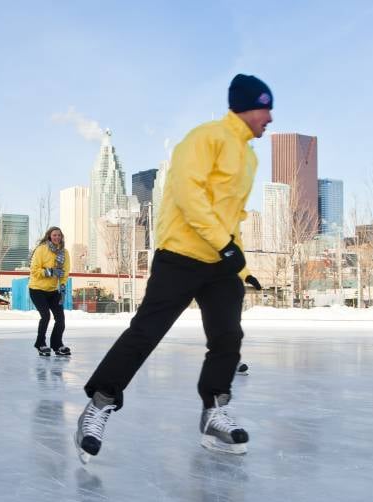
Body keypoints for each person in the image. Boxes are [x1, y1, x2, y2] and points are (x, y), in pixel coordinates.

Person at [75, 73, 272, 461]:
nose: (269, 118)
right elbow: (186, 192)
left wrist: (240, 264)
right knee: (146, 332)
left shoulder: (249, 156)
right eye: (265, 108)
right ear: (246, 107)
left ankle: (214, 411)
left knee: (228, 337)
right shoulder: (206, 138)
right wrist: (223, 244)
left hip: (221, 265)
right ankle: (98, 405)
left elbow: (232, 215)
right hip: (181, 255)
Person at [29, 226, 71, 356]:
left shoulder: (64, 253)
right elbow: (34, 271)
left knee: (60, 318)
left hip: (53, 291)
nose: (57, 237)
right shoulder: (41, 250)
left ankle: (57, 345)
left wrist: (62, 291)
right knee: (46, 316)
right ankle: (41, 344)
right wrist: (50, 271)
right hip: (37, 289)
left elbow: (64, 274)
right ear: (49, 236)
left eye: (59, 235)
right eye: (54, 235)